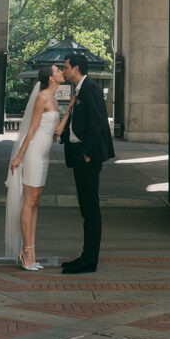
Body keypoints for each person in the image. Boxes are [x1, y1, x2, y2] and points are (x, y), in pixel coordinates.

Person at [5, 63, 72, 270]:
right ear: (51, 78)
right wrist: (19, 156)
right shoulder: (43, 96)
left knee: (35, 202)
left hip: (43, 155)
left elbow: (56, 131)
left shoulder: (53, 98)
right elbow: (32, 129)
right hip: (33, 153)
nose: (61, 72)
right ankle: (27, 252)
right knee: (29, 201)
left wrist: (69, 107)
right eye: (57, 71)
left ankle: (31, 252)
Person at [58, 52, 114, 273]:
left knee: (90, 208)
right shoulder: (81, 88)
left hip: (87, 158)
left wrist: (88, 154)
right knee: (86, 208)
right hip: (79, 155)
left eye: (66, 67)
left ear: (77, 69)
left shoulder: (89, 88)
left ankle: (90, 260)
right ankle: (86, 256)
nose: (64, 71)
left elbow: (98, 122)